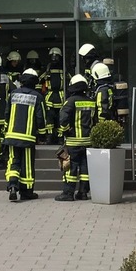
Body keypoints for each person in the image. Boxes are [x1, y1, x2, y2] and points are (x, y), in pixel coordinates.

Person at [3, 67, 47, 202]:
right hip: (28, 137)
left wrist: (6, 131)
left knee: (13, 161)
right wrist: (43, 134)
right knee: (27, 165)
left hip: (11, 135)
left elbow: (7, 114)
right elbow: (41, 118)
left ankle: (12, 186)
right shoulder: (38, 97)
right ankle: (26, 192)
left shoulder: (13, 94)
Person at [55, 74, 95, 202]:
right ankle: (83, 193)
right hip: (88, 141)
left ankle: (68, 193)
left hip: (73, 141)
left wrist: (66, 131)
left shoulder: (70, 101)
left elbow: (63, 119)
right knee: (85, 168)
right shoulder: (91, 101)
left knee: (70, 167)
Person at [41, 47, 68, 144]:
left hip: (60, 96)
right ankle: (50, 137)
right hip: (50, 96)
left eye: (56, 56)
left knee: (60, 119)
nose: (54, 58)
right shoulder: (47, 68)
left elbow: (69, 80)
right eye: (53, 56)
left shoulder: (64, 68)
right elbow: (40, 80)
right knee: (49, 119)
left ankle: (60, 138)